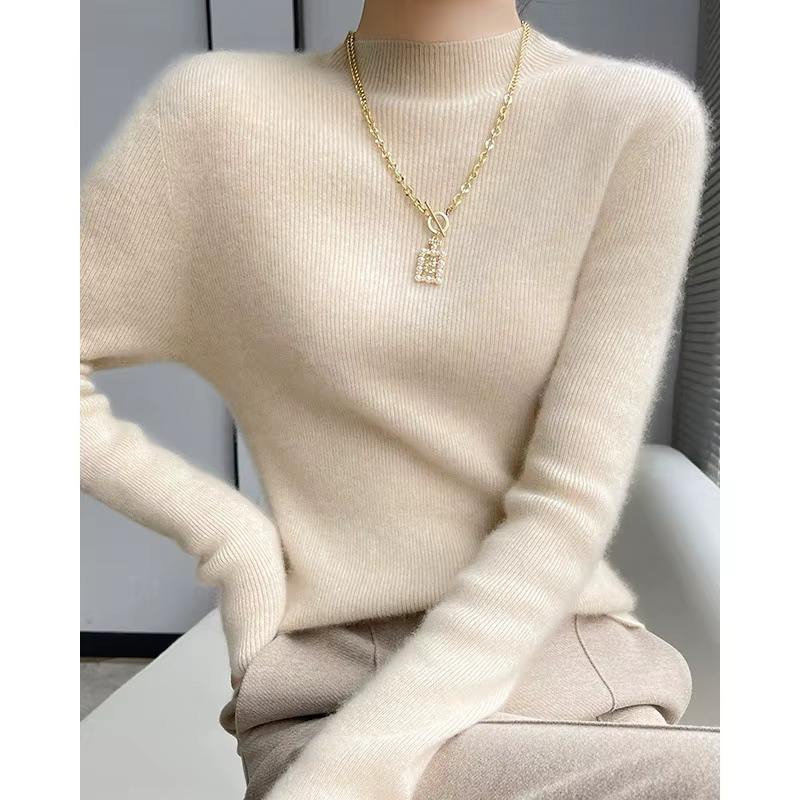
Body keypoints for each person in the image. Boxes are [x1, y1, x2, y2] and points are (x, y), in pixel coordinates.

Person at [80, 0, 719, 797]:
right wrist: (230, 537)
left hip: (576, 674)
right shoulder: (218, 114)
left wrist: (349, 771)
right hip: (333, 686)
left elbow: (569, 498)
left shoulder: (635, 118)